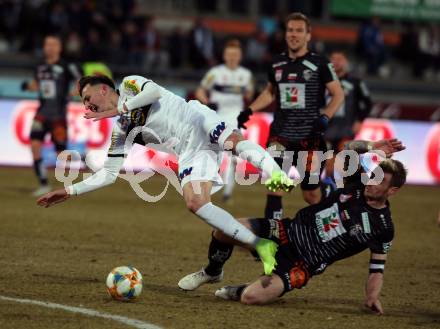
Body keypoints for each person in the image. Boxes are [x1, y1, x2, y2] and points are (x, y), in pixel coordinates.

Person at [36, 75, 296, 275]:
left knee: (230, 141)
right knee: (196, 203)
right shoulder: (122, 129)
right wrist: (70, 191)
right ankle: (260, 245)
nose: (86, 104)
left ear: (103, 89)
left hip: (196, 119)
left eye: (86, 96)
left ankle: (275, 173)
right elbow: (109, 173)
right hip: (190, 152)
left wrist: (119, 109)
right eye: (83, 101)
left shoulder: (129, 84)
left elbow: (154, 91)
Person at [178, 138, 406, 315]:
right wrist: (372, 146)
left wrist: (372, 297)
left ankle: (243, 288)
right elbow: (348, 150)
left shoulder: (383, 227)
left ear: (392, 191)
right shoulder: (356, 184)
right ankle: (213, 271)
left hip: (302, 263)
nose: (372, 182)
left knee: (251, 298)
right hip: (285, 231)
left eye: (380, 181)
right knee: (224, 229)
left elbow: (377, 268)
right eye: (373, 176)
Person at [237, 12, 345, 220]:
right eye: (290, 30)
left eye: (299, 31)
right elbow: (270, 92)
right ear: (285, 34)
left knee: (311, 194)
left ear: (308, 35)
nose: (294, 34)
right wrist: (249, 110)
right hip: (280, 136)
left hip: (310, 138)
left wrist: (326, 117)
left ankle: (329, 198)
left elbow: (338, 94)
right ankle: (272, 239)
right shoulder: (276, 63)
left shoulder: (321, 63)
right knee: (275, 185)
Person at [22, 34, 82, 196]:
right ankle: (43, 183)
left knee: (61, 155)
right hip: (41, 114)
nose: (49, 47)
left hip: (58, 116)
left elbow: (82, 81)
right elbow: (36, 85)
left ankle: (81, 161)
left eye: (53, 44)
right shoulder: (39, 67)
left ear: (59, 48)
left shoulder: (66, 66)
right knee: (35, 146)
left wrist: (72, 93)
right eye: (47, 44)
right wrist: (28, 86)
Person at [195, 39, 254, 202]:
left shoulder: (246, 75)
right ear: (224, 56)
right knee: (212, 153)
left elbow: (249, 94)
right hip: (217, 117)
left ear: (240, 56)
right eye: (229, 54)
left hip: (235, 119)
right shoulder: (215, 73)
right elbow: (200, 90)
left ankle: (227, 193)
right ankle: (206, 187)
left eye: (235, 54)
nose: (232, 57)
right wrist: (207, 102)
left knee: (234, 156)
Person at [324, 51, 372, 183]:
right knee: (329, 164)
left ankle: (351, 187)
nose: (336, 62)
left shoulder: (355, 82)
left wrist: (360, 120)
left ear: (345, 62)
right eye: (333, 59)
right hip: (327, 129)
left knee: (343, 160)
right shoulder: (322, 81)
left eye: (340, 59)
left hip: (345, 128)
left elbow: (367, 102)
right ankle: (330, 192)